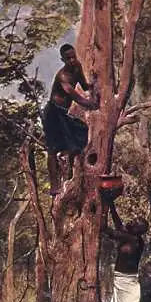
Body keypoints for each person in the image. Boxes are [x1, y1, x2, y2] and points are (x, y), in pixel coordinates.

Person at [43, 43, 99, 195]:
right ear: (63, 59)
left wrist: (95, 84)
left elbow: (84, 86)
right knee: (52, 149)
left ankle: (69, 169)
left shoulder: (77, 67)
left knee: (82, 133)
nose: (72, 60)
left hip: (63, 113)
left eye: (74, 57)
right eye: (68, 58)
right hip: (53, 113)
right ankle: (54, 185)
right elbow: (74, 95)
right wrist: (91, 104)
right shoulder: (62, 76)